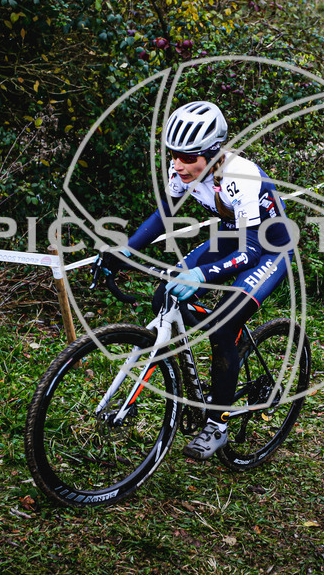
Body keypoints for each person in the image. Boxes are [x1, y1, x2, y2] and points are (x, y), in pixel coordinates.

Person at [103, 101, 293, 460]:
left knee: (222, 328)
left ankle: (217, 425)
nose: (178, 165)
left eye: (189, 158)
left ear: (213, 153)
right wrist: (124, 252)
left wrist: (202, 274)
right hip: (231, 237)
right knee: (165, 298)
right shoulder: (184, 172)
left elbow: (251, 250)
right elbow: (164, 215)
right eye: (174, 155)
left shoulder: (240, 176)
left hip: (269, 249)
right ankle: (192, 371)